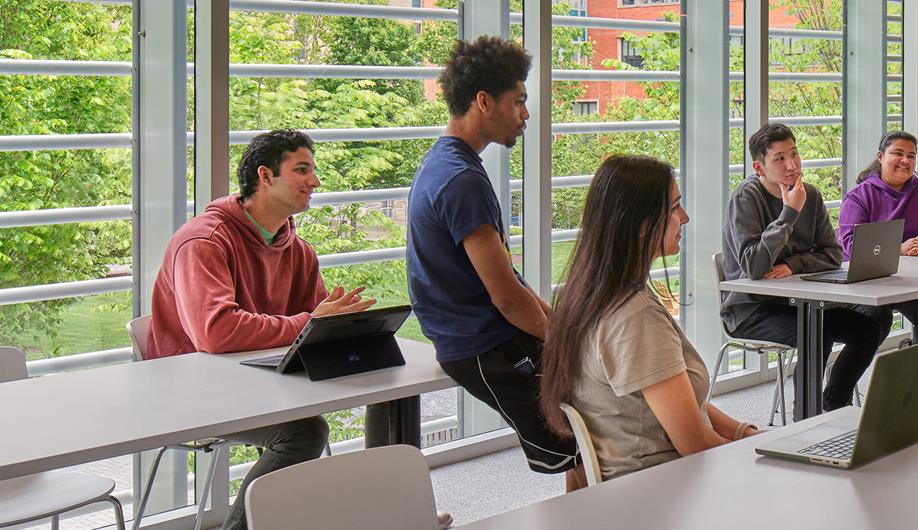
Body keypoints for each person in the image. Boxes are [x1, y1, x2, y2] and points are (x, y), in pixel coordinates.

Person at [146, 130, 376, 530]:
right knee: (304, 432)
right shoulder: (203, 241)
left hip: (261, 383)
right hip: (190, 389)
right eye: (302, 170)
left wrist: (345, 327)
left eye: (314, 170)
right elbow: (216, 333)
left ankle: (393, 514)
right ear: (266, 176)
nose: (315, 181)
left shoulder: (298, 250)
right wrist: (311, 323)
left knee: (347, 407)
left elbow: (312, 324)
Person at [406, 36, 579, 489]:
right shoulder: (461, 180)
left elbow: (510, 284)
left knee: (592, 434)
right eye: (518, 101)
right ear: (484, 102)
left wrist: (562, 327)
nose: (526, 114)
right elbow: (505, 298)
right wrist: (570, 343)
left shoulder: (446, 164)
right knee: (589, 441)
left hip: (486, 336)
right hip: (483, 346)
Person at [540, 155, 759, 480]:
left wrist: (743, 433)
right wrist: (762, 457)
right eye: (674, 208)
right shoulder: (634, 318)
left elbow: (678, 402)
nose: (684, 218)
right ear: (642, 226)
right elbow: (696, 445)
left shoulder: (590, 297)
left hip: (637, 488)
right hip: (668, 490)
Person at [721, 122, 891, 413]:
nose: (792, 165)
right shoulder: (746, 198)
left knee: (870, 327)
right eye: (780, 158)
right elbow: (753, 266)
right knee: (817, 333)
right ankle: (806, 416)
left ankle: (833, 403)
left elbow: (832, 254)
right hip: (751, 309)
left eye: (794, 154)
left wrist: (793, 263)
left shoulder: (810, 194)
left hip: (799, 304)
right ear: (759, 168)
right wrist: (789, 213)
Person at [839, 131, 918, 344]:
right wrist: (897, 249)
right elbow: (849, 245)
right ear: (880, 156)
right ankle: (841, 376)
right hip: (868, 281)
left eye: (911, 155)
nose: (905, 160)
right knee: (877, 321)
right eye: (898, 153)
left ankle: (907, 371)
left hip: (913, 279)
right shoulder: (860, 196)